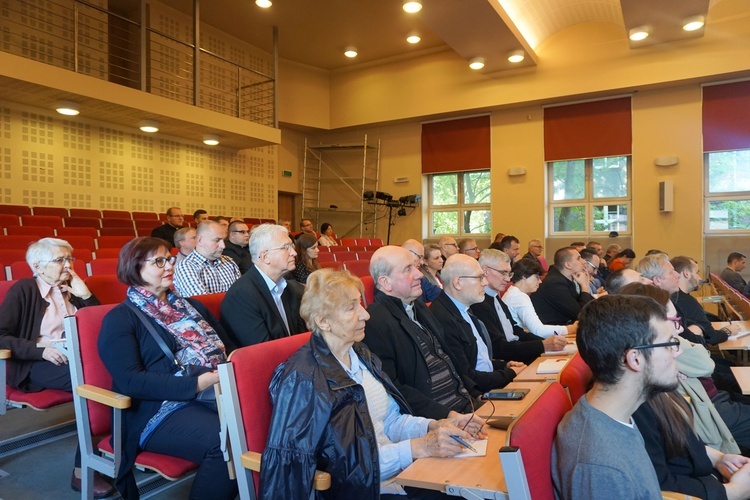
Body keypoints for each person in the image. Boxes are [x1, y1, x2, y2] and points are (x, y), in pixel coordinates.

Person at [259, 268, 486, 499]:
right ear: (323, 321)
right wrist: (419, 447)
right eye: (351, 308)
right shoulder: (304, 378)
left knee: (476, 480)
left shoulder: (360, 354)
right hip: (361, 490)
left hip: (398, 473)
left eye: (360, 304)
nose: (365, 315)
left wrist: (433, 427)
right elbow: (343, 467)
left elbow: (390, 421)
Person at [98, 237, 236, 499]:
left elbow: (229, 348)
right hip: (158, 410)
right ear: (134, 268)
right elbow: (131, 381)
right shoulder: (120, 319)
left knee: (267, 422)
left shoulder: (192, 307)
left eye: (169, 259)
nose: (169, 266)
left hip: (214, 393)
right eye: (159, 261)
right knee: (227, 438)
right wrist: (198, 383)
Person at [0, 238, 111, 497]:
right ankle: (83, 469)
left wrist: (86, 295)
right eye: (60, 260)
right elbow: (1, 335)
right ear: (38, 266)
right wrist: (42, 350)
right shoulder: (24, 290)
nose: (68, 266)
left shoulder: (73, 288)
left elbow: (104, 326)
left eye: (70, 259)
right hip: (38, 362)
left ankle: (120, 446)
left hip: (82, 355)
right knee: (98, 384)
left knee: (127, 373)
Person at [552, 295, 681, 499]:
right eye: (668, 345)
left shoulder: (614, 414)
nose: (676, 353)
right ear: (635, 359)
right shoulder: (603, 469)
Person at [364, 246, 478, 419]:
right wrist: (449, 415)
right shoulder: (375, 321)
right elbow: (395, 389)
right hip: (437, 422)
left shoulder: (418, 306)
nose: (418, 275)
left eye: (416, 268)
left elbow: (448, 359)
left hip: (467, 406)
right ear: (385, 282)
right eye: (407, 270)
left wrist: (476, 394)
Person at [429, 255, 525, 396]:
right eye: (479, 277)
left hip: (487, 384)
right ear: (458, 283)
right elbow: (466, 376)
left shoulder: (464, 308)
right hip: (476, 396)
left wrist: (504, 366)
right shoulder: (443, 319)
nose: (485, 282)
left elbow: (479, 360)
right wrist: (508, 374)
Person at [472, 249, 566, 364]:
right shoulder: (479, 303)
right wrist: (542, 345)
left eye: (509, 273)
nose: (507, 279)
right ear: (485, 271)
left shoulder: (495, 297)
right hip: (510, 361)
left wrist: (545, 342)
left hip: (516, 353)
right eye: (503, 273)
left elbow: (515, 331)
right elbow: (499, 348)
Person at [221, 224, 307, 347]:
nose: (293, 253)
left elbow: (298, 335)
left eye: (291, 246)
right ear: (265, 257)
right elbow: (263, 351)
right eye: (285, 247)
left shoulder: (287, 288)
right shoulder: (242, 296)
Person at [503, 258, 576, 338]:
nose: (540, 281)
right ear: (524, 276)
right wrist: (570, 329)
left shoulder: (513, 293)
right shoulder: (519, 297)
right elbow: (538, 330)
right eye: (537, 277)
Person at [671, 255, 733, 345]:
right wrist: (728, 331)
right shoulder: (688, 302)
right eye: (697, 273)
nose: (699, 278)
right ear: (686, 274)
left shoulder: (672, 297)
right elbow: (712, 338)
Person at [172, 220, 241, 297]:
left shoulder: (229, 262)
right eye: (217, 240)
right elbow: (202, 303)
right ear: (200, 241)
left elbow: (243, 294)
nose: (223, 246)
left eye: (223, 240)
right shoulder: (186, 266)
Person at [530, 246, 593, 325]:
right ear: (568, 265)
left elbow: (589, 308)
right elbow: (581, 314)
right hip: (551, 333)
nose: (584, 261)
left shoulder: (565, 279)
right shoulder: (554, 283)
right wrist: (584, 286)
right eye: (578, 258)